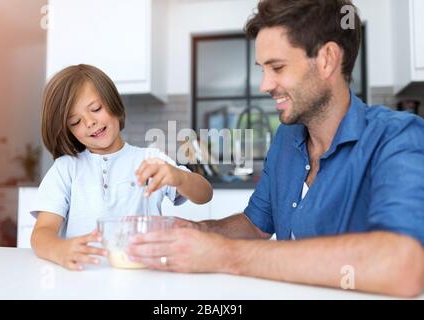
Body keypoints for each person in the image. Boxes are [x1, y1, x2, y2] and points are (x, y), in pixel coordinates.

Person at [126, 0, 424, 297]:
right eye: (262, 69)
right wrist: (197, 232)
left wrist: (225, 255)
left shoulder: (396, 137)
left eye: (277, 67)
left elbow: (403, 263)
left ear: (327, 59)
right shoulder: (287, 138)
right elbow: (256, 225)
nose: (264, 84)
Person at [30, 64, 213, 271]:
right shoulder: (66, 168)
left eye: (96, 109)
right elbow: (41, 233)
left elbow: (204, 194)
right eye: (75, 121)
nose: (89, 122)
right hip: (83, 278)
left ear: (113, 104)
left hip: (145, 273)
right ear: (68, 131)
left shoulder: (150, 159)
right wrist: (60, 250)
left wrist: (180, 177)